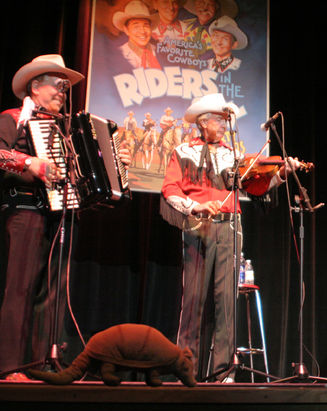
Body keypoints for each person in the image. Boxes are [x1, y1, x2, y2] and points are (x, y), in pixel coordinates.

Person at [0, 55, 131, 379]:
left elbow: (85, 168)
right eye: (57, 84)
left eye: (66, 86)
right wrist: (32, 164)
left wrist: (114, 160)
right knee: (21, 290)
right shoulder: (13, 117)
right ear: (35, 86)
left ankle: (41, 362)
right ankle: (10, 366)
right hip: (26, 211)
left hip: (62, 216)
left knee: (54, 293)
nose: (63, 91)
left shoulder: (69, 127)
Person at [160, 93, 296, 381]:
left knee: (226, 302)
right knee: (193, 301)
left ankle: (223, 371)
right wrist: (195, 206)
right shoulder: (182, 151)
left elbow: (256, 187)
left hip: (230, 227)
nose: (224, 126)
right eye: (219, 120)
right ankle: (185, 368)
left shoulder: (234, 154)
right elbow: (170, 190)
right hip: (199, 226)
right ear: (202, 122)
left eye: (225, 121)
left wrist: (280, 174)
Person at [113, 0, 161, 70]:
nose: (142, 31)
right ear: (126, 30)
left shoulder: (159, 51)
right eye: (136, 26)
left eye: (146, 25)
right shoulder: (118, 55)